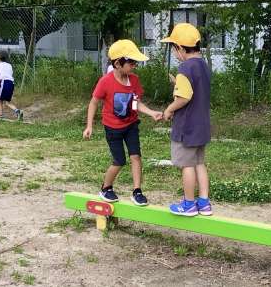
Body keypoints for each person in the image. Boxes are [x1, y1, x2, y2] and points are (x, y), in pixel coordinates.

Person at [83, 40, 163, 205]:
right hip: (113, 128)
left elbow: (135, 103)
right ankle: (106, 188)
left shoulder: (134, 80)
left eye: (135, 62)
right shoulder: (106, 81)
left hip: (131, 125)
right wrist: (89, 125)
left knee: (136, 156)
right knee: (119, 161)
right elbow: (94, 102)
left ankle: (137, 191)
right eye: (131, 62)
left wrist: (151, 112)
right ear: (118, 63)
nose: (134, 65)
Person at [161, 23, 212, 216]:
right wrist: (178, 82)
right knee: (199, 163)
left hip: (187, 128)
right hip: (202, 126)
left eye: (174, 49)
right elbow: (195, 88)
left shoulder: (185, 68)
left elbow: (184, 98)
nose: (175, 54)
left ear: (180, 48)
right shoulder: (203, 66)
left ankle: (189, 204)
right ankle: (204, 203)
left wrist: (168, 110)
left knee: (187, 165)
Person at [0, 51, 23, 121]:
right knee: (7, 102)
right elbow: (10, 74)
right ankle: (18, 111)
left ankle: (1, 116)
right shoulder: (9, 65)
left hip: (4, 82)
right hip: (11, 83)